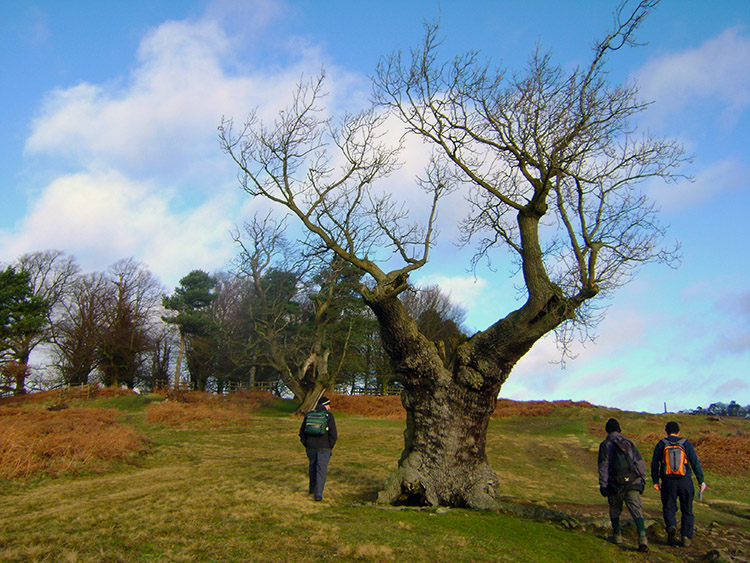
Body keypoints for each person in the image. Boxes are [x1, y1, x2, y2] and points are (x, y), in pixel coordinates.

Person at [598, 418, 649, 552]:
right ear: (619, 429)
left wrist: (603, 485)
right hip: (632, 482)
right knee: (637, 511)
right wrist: (642, 479)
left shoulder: (605, 445)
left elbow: (603, 465)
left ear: (607, 430)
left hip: (615, 484)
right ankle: (642, 539)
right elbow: (639, 462)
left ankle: (617, 536)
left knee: (615, 510)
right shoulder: (628, 443)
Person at [651, 421, 705, 548]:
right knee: (687, 509)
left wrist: (655, 481)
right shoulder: (686, 443)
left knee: (669, 507)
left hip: (668, 481)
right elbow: (695, 462)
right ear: (678, 432)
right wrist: (700, 480)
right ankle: (686, 536)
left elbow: (654, 464)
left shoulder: (661, 444)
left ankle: (671, 526)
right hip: (685, 480)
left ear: (666, 432)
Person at [299, 395, 337, 501]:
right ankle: (318, 493)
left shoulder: (309, 415)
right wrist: (330, 446)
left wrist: (306, 444)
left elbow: (302, 433)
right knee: (321, 470)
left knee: (312, 467)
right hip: (324, 447)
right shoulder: (329, 416)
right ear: (325, 405)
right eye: (329, 405)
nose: (329, 407)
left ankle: (312, 489)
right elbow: (333, 434)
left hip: (311, 446)